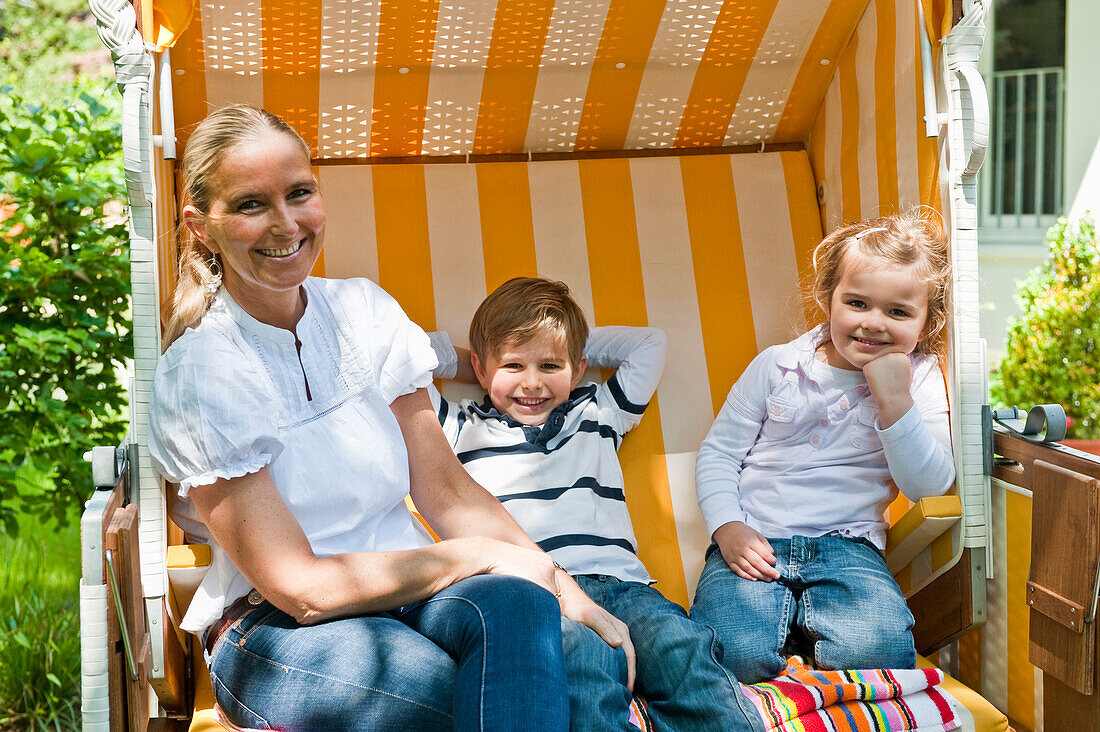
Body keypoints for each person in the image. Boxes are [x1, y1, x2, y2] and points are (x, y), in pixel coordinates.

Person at [147, 105, 632, 732]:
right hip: (277, 627)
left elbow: (444, 485)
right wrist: (476, 556)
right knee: (470, 693)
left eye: (300, 193)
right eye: (250, 204)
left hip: (412, 588)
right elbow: (303, 589)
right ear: (201, 226)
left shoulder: (362, 311)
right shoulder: (203, 373)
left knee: (533, 613)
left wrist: (560, 585)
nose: (286, 223)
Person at [425, 277, 765, 732]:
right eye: (512, 366)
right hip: (542, 595)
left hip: (626, 586)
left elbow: (650, 343)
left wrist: (566, 346)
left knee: (685, 653)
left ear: (579, 367)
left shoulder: (599, 412)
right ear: (480, 370)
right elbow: (395, 360)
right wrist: (475, 359)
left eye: (549, 365)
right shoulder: (457, 427)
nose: (532, 383)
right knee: (584, 672)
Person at [690, 212, 956, 684]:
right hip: (755, 538)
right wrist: (727, 528)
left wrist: (894, 400)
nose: (873, 323)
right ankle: (789, 640)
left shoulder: (924, 378)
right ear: (828, 299)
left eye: (897, 312)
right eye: (856, 303)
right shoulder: (778, 365)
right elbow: (719, 453)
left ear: (926, 321)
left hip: (849, 546)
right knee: (729, 657)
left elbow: (927, 485)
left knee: (881, 654)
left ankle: (802, 640)